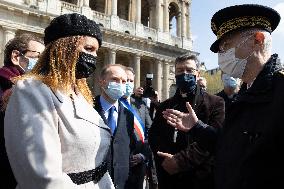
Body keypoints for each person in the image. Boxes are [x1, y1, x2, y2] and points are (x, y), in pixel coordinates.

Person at [162, 4, 283, 189]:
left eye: (226, 45)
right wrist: (197, 128)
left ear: (257, 40)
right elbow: (231, 145)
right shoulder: (245, 93)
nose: (221, 55)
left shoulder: (279, 90)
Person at [4, 13, 114, 188]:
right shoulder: (31, 90)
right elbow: (42, 175)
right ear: (64, 47)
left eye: (96, 52)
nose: (94, 57)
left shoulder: (80, 95)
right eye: (88, 49)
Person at [148, 54, 225, 189]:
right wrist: (166, 158)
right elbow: (154, 136)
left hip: (201, 177)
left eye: (189, 70)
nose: (184, 74)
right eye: (180, 70)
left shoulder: (215, 103)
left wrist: (180, 161)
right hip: (169, 176)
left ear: (197, 73)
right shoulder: (165, 105)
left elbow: (214, 139)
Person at [0, 33, 44, 189]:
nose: (42, 63)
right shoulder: (5, 87)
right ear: (16, 56)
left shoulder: (32, 89)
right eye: (38, 56)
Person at [94, 64, 136, 189]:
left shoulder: (128, 115)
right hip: (94, 182)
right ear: (102, 82)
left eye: (124, 81)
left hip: (121, 183)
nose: (120, 84)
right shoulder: (88, 109)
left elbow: (128, 148)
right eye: (115, 79)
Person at [121, 66, 152, 189]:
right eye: (125, 80)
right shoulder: (109, 104)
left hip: (138, 166)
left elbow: (151, 132)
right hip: (115, 166)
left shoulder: (141, 105)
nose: (128, 84)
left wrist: (143, 155)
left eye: (131, 81)